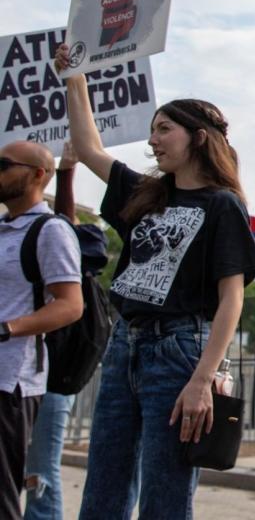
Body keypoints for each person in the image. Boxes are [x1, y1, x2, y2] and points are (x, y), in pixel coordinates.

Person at [56, 44, 255, 520]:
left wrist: (202, 378)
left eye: (164, 129)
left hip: (179, 352)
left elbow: (231, 300)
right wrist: (75, 76)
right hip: (125, 343)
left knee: (165, 490)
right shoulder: (143, 191)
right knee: (104, 481)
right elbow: (88, 147)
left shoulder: (222, 205)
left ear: (198, 137)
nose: (153, 140)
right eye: (152, 130)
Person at [24, 143, 108, 520]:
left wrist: (66, 173)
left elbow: (64, 222)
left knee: (39, 470)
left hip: (53, 380)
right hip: (27, 379)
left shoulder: (74, 278)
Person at [0, 141, 83, 520]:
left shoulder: (50, 230)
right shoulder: (4, 229)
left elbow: (70, 305)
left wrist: (8, 328)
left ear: (38, 174)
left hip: (11, 382)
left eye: (4, 165)